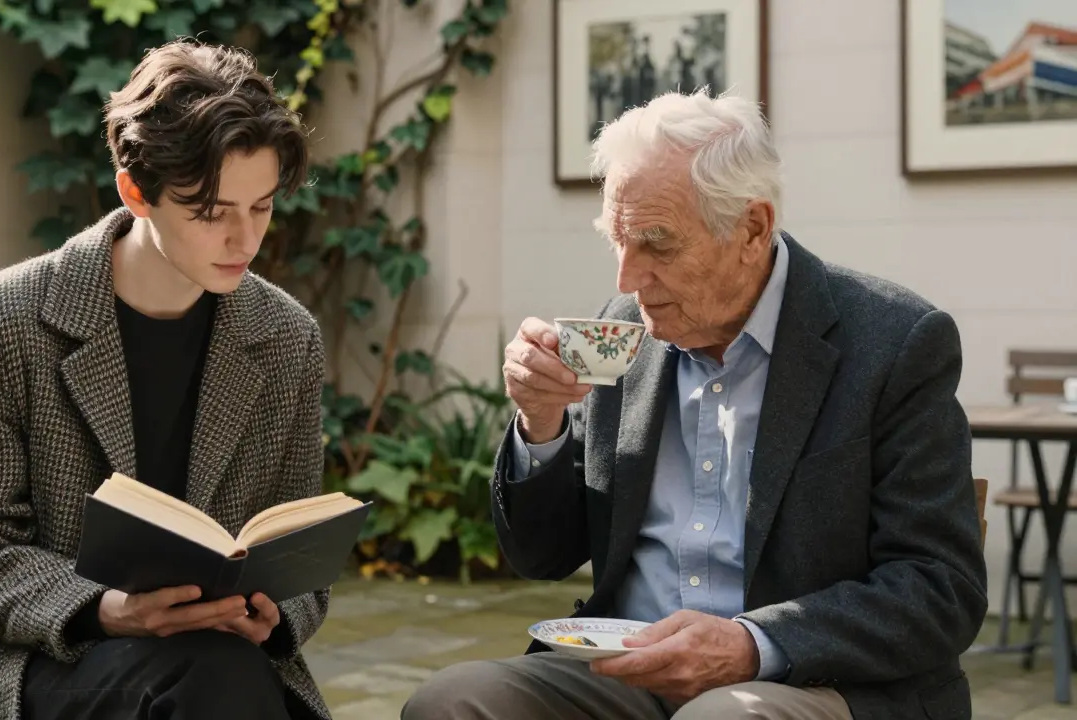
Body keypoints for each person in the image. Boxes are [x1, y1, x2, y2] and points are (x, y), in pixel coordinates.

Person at [404, 88, 988, 720]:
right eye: (618, 241)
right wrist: (540, 422)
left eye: (657, 244)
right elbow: (542, 555)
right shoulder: (623, 331)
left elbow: (939, 586)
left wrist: (752, 643)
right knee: (452, 703)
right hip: (627, 668)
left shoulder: (895, 341)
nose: (627, 278)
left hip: (813, 678)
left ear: (752, 228)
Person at [0, 41, 332, 720]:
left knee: (220, 674)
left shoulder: (285, 339)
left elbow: (299, 556)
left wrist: (273, 615)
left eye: (263, 207)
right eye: (213, 213)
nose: (245, 241)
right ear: (136, 191)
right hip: (36, 655)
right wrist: (106, 608)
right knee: (212, 683)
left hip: (222, 658)